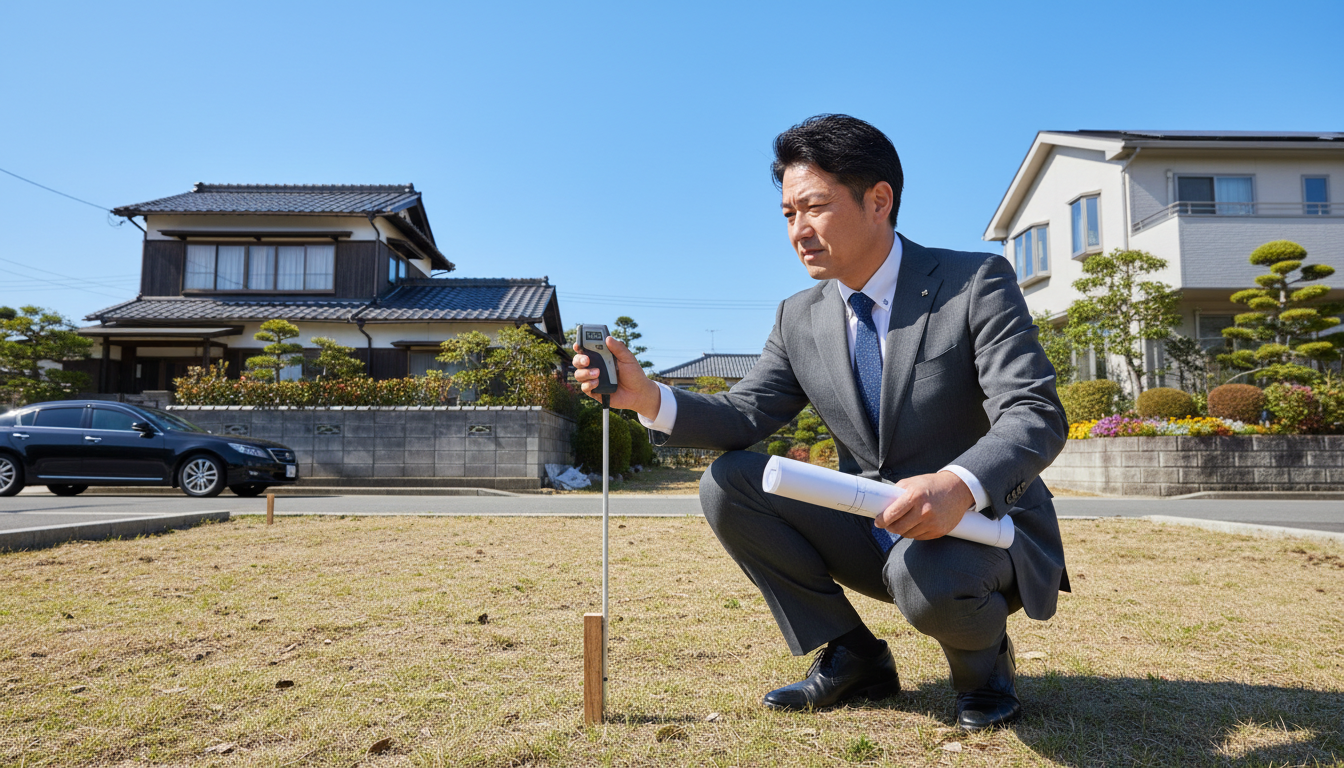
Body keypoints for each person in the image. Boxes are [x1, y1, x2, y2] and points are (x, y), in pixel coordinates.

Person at [572, 114, 1068, 731]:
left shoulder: (973, 282)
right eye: (787, 214)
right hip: (873, 522)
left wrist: (958, 483)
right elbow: (746, 412)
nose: (798, 231)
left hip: (977, 526)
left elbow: (1034, 411)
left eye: (814, 207)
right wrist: (648, 397)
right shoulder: (799, 316)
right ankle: (854, 656)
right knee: (728, 484)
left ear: (879, 200)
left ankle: (984, 669)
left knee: (931, 577)